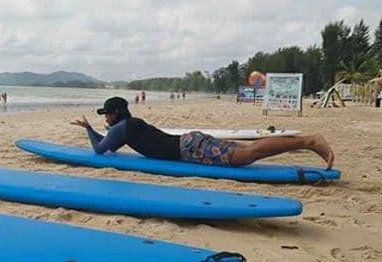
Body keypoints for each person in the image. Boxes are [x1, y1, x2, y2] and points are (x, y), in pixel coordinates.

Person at [71, 96, 335, 168]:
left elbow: (99, 148)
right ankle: (307, 141)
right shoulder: (130, 125)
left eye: (106, 113)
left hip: (190, 149)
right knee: (246, 152)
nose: (105, 117)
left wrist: (88, 130)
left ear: (115, 113)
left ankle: (309, 141)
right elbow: (109, 146)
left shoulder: (120, 129)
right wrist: (94, 130)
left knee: (249, 154)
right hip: (191, 142)